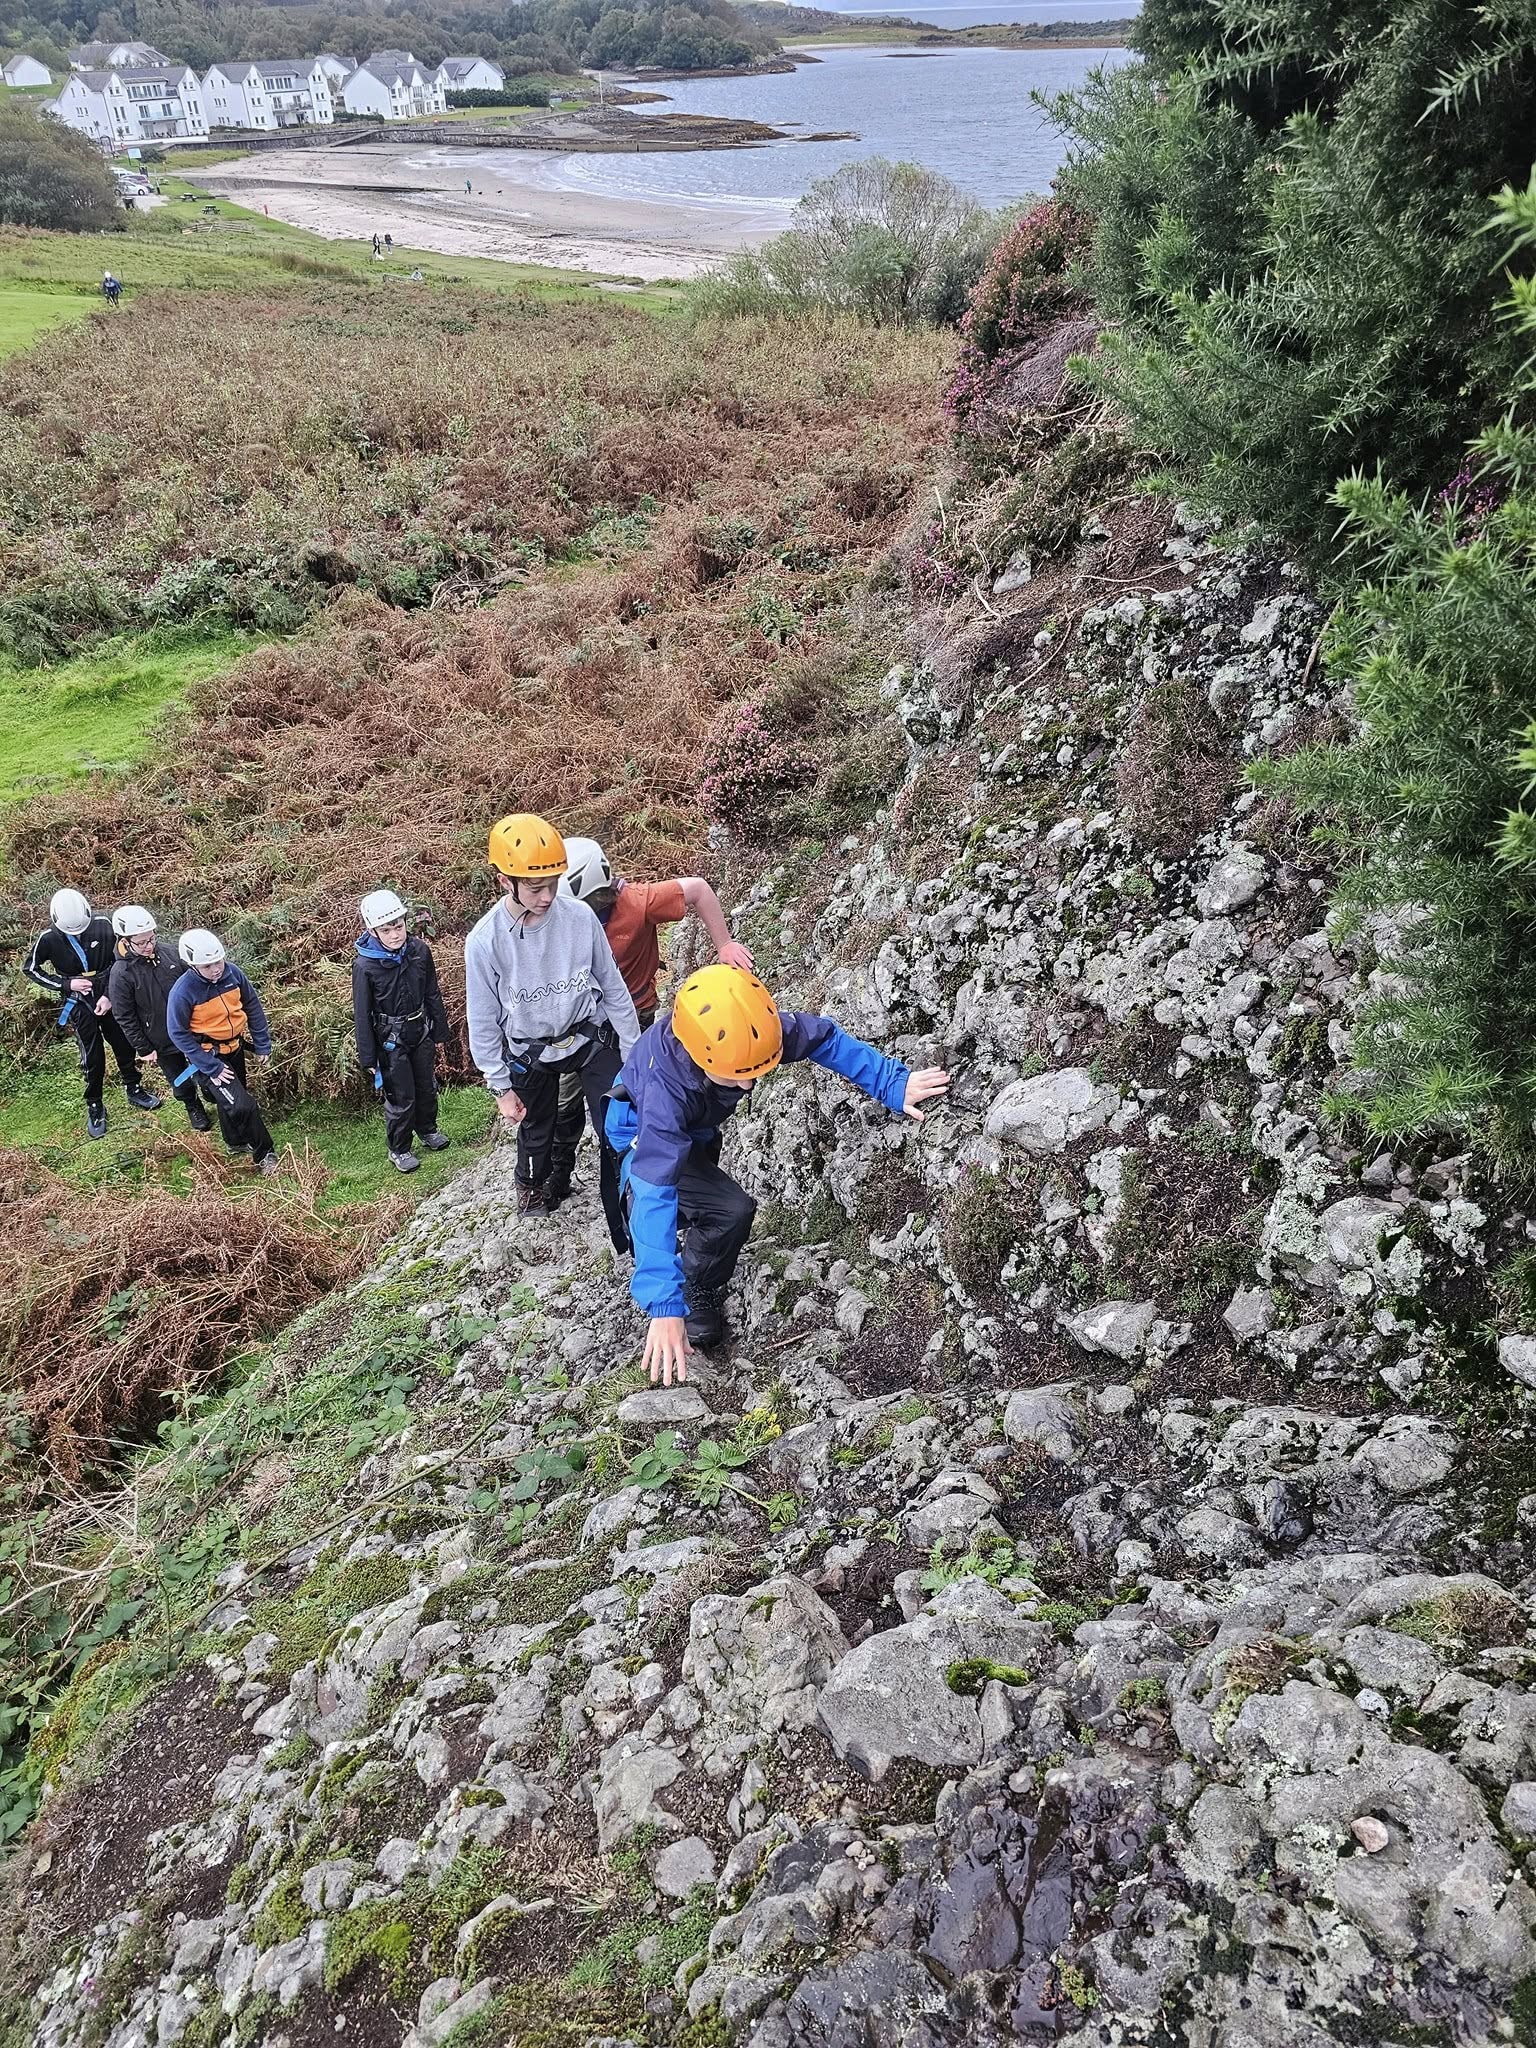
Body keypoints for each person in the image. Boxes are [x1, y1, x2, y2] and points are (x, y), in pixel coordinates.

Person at [606, 964, 950, 1380]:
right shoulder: (666, 1094)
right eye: (739, 1076)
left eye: (757, 1072)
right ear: (700, 1055)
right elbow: (653, 1187)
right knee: (727, 1209)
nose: (750, 1086)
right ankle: (691, 1287)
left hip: (695, 1126)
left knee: (706, 1198)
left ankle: (694, 1261)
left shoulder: (750, 1034)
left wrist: (892, 1084)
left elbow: (824, 1038)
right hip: (638, 1135)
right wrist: (664, 1306)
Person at [463, 813, 639, 1229]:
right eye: (536, 887)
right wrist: (500, 1087)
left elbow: (612, 986)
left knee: (618, 1119)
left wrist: (631, 1051)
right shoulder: (485, 941)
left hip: (588, 1035)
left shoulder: (578, 917)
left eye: (554, 883)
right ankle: (531, 1186)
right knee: (536, 1128)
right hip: (529, 1049)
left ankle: (631, 1191)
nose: (547, 896)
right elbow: (483, 1020)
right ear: (505, 881)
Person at [559, 837, 752, 1029]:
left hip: (636, 1010)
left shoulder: (636, 903)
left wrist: (725, 944)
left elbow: (698, 889)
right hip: (587, 1011)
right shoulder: (557, 918)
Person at [23, 888, 160, 1139]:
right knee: (92, 1053)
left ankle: (134, 1086)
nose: (76, 933)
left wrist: (108, 993)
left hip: (107, 988)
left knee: (123, 1043)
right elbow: (31, 968)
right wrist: (66, 984)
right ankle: (95, 1103)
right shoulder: (48, 938)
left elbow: (119, 960)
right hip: (77, 998)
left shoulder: (103, 925)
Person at [352, 888, 451, 1174]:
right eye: (387, 929)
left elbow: (432, 991)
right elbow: (362, 1013)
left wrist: (439, 1030)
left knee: (426, 1087)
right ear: (373, 930)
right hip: (389, 1040)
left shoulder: (419, 951)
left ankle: (428, 1130)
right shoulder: (365, 965)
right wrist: (368, 1058)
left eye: (399, 926)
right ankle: (400, 1148)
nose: (396, 934)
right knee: (400, 1096)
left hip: (419, 1029)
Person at [166, 930, 279, 1176]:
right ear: (193, 964)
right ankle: (265, 1154)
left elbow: (252, 1005)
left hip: (235, 1047)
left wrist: (262, 1043)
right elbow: (177, 1033)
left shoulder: (233, 973)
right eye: (208, 966)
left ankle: (234, 1141)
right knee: (243, 1105)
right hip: (209, 1056)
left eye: (218, 961)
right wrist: (211, 1067)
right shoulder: (183, 991)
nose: (216, 969)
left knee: (228, 1099)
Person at [107, 905, 213, 1133]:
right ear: (125, 941)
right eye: (142, 942)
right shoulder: (121, 973)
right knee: (178, 1077)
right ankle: (192, 1105)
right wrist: (143, 1048)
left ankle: (208, 1088)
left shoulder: (170, 953)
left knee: (204, 1064)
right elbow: (124, 1015)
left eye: (151, 939)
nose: (149, 946)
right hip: (160, 1038)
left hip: (192, 1029)